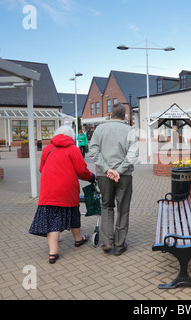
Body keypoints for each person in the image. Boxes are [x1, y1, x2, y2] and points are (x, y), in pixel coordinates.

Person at [29, 125, 95, 264]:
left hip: (49, 190)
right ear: (71, 137)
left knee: (52, 218)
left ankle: (53, 252)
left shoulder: (47, 149)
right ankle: (78, 240)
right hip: (67, 189)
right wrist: (92, 177)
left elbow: (42, 169)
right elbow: (82, 171)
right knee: (73, 212)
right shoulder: (73, 149)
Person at [89, 103, 139, 256]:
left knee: (106, 206)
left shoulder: (99, 129)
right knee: (123, 209)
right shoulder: (131, 131)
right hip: (124, 176)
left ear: (111, 115)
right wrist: (119, 170)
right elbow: (133, 155)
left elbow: (93, 151)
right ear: (124, 116)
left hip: (104, 176)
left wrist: (107, 169)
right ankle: (119, 245)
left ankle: (107, 241)